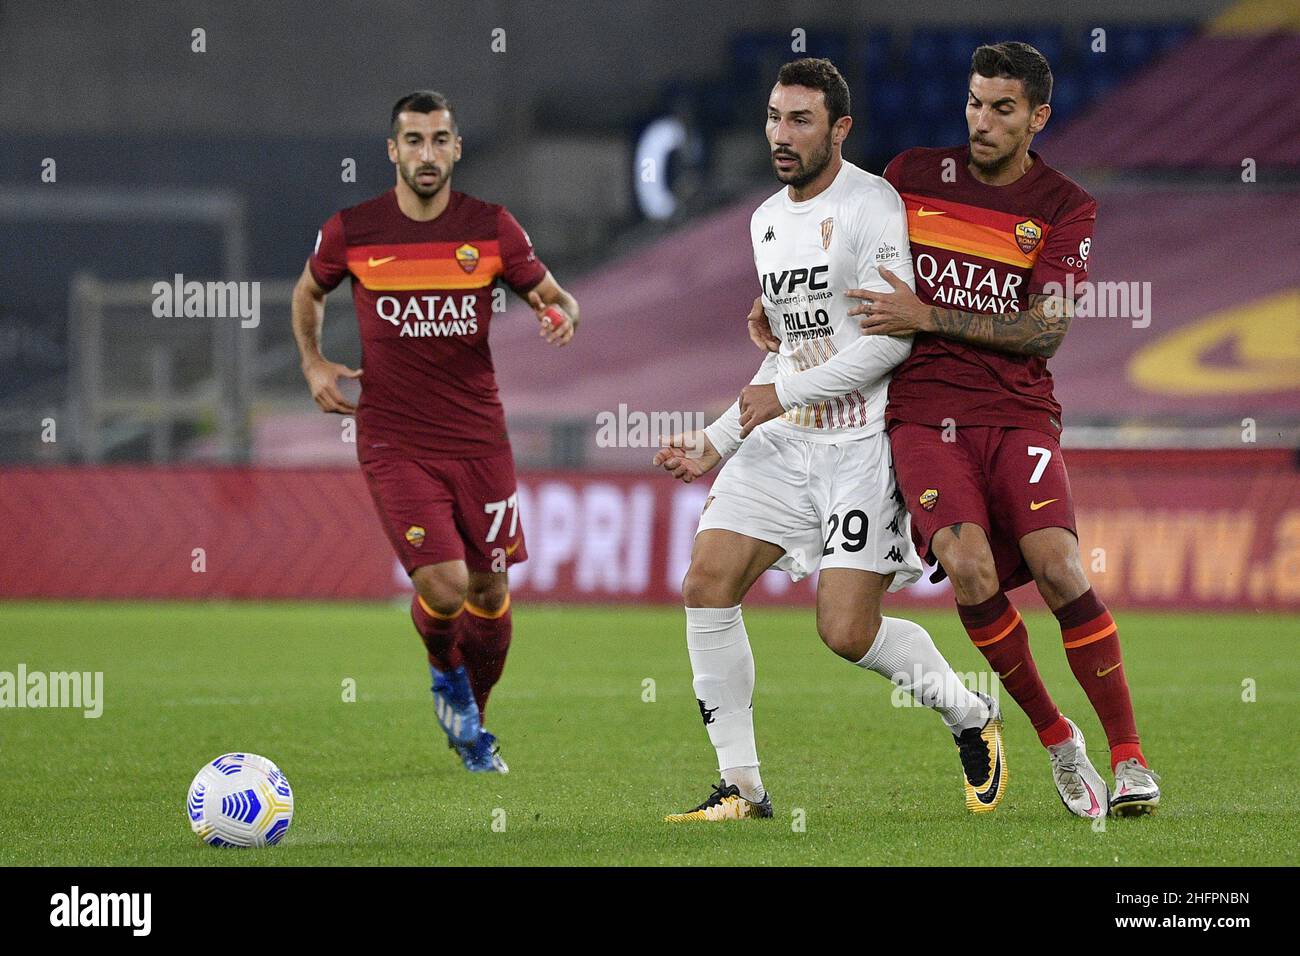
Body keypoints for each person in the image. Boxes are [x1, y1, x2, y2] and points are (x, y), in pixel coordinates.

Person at [753, 43, 1160, 818]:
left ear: (1037, 117)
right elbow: (825, 225)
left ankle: (1131, 757)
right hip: (920, 413)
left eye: (1002, 108)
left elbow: (1045, 332)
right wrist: (770, 296)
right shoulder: (911, 177)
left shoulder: (1064, 206)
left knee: (1060, 565)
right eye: (975, 103)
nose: (981, 120)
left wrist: (926, 314)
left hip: (1017, 412)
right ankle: (1056, 740)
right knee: (967, 567)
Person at [656, 59, 1005, 823]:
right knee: (705, 583)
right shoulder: (764, 221)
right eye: (775, 119)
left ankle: (968, 712)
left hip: (862, 445)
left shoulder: (872, 205)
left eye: (800, 121)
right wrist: (719, 438)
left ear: (840, 128)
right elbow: (789, 349)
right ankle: (740, 786)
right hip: (784, 443)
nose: (781, 136)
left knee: (845, 632)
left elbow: (888, 344)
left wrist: (775, 395)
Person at [291, 90, 580, 773]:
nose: (427, 153)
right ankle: (443, 672)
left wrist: (560, 315)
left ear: (455, 149)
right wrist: (311, 365)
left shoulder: (491, 227)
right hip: (395, 439)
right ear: (393, 150)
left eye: (439, 140)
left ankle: (469, 714)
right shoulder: (352, 231)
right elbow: (308, 291)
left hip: (481, 439)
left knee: (491, 593)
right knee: (446, 587)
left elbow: (554, 295)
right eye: (413, 140)